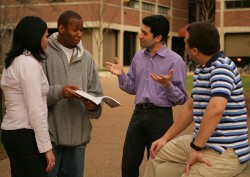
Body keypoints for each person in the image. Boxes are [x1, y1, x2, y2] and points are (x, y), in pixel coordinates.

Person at [143, 22, 250, 177]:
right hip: (203, 142)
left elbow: (215, 109)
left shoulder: (222, 68)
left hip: (227, 150)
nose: (184, 45)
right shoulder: (202, 68)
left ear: (194, 50)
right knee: (156, 153)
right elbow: (190, 108)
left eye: (186, 42)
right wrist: (164, 138)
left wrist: (196, 148)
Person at [106, 15, 188, 177]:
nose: (140, 36)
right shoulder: (138, 57)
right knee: (128, 165)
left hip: (161, 118)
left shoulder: (175, 61)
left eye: (145, 33)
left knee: (159, 166)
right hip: (138, 115)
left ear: (158, 37)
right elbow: (132, 88)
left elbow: (182, 98)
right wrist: (121, 74)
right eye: (140, 31)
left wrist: (168, 85)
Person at [43, 11, 103, 177]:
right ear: (61, 28)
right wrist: (60, 92)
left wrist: (93, 107)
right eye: (75, 29)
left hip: (78, 140)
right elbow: (35, 95)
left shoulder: (88, 58)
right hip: (49, 139)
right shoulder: (44, 53)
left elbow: (96, 94)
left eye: (81, 30)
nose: (79, 34)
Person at [0, 16, 55, 177]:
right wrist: (46, 148)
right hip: (24, 134)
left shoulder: (16, 61)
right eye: (46, 36)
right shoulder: (27, 63)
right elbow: (35, 109)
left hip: (14, 132)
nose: (48, 40)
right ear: (35, 37)